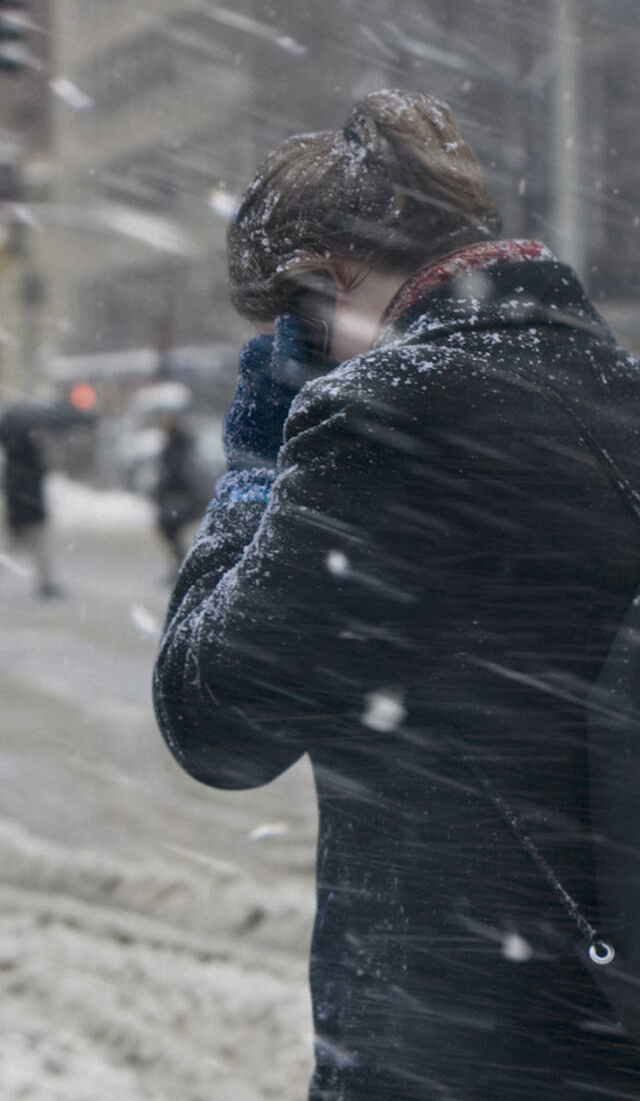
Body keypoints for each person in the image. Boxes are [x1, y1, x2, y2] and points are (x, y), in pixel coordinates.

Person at [153, 89, 640, 1098]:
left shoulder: (384, 417)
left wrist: (253, 462)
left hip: (448, 1042)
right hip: (605, 1017)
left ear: (323, 283)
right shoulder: (614, 388)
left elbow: (214, 722)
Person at [0, 414, 60, 598]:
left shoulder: (13, 458)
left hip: (22, 512)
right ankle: (46, 582)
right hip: (28, 512)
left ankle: (46, 582)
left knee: (17, 548)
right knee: (33, 548)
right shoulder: (26, 460)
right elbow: (30, 486)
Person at [151, 414, 202, 572]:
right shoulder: (176, 447)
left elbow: (180, 473)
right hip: (175, 497)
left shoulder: (178, 448)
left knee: (170, 529)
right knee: (171, 531)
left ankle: (183, 566)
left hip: (178, 497)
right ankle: (181, 566)